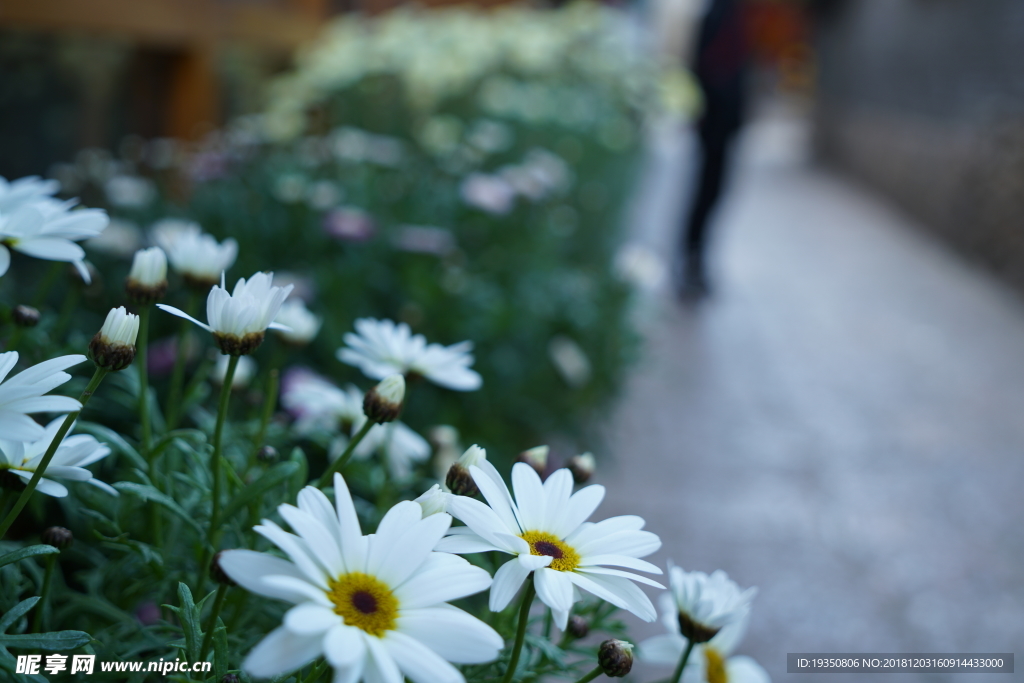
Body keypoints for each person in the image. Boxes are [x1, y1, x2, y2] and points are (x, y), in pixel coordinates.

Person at [678, 0, 751, 299]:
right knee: (705, 191)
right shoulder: (718, 13)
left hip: (725, 123)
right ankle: (690, 260)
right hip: (714, 122)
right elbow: (703, 65)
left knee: (714, 190)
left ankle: (696, 259)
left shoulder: (741, 15)